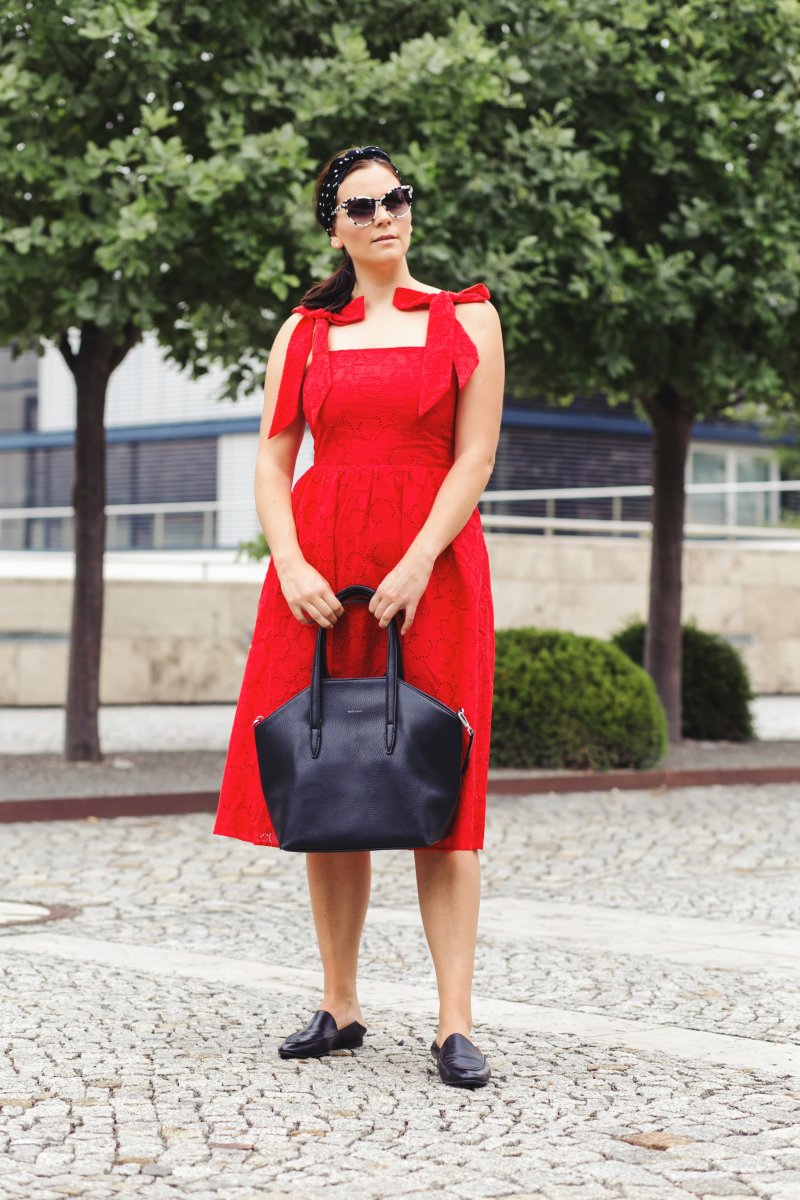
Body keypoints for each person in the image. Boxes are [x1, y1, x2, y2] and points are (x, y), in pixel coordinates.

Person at [212, 145, 504, 1088]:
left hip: (436, 573)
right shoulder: (302, 332)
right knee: (330, 779)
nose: (385, 215)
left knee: (443, 796)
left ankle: (454, 1023)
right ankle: (340, 1003)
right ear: (334, 227)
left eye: (396, 199)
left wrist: (420, 559)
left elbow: (475, 458)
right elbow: (270, 459)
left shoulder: (469, 318)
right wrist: (289, 559)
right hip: (319, 572)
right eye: (362, 205)